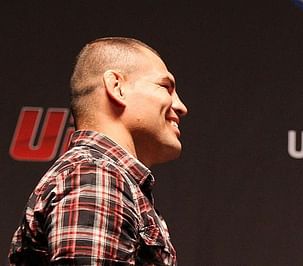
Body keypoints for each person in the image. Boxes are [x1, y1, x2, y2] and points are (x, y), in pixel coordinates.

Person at [8, 37, 188, 265]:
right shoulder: (96, 176)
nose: (181, 106)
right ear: (117, 87)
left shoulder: (104, 176)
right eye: (165, 87)